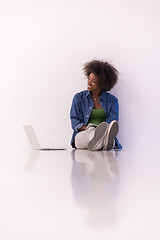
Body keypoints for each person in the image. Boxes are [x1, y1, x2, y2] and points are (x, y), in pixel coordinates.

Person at [70, 59, 122, 151]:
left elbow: (112, 123)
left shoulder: (112, 101)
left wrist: (104, 131)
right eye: (89, 79)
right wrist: (90, 128)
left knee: (108, 136)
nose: (89, 82)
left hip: (105, 133)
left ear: (102, 83)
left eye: (93, 81)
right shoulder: (79, 98)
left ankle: (101, 142)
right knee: (91, 134)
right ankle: (103, 143)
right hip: (84, 134)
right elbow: (74, 121)